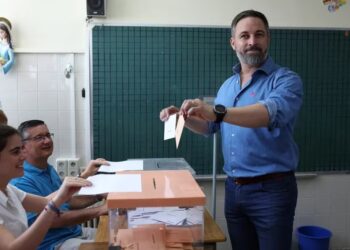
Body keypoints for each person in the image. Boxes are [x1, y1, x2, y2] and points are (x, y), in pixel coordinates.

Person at [160, 10, 303, 250]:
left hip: (272, 191)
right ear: (233, 42)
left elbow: (269, 113)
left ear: (268, 38)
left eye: (259, 35)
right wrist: (182, 118)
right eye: (244, 35)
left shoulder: (285, 80)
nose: (252, 42)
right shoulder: (228, 86)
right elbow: (210, 126)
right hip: (234, 190)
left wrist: (216, 111)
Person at [11, 120, 109, 250]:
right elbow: (51, 220)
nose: (47, 141)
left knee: (120, 237)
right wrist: (100, 210)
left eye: (48, 135)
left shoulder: (48, 169)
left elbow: (65, 203)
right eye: (39, 138)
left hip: (75, 233)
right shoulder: (20, 181)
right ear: (23, 146)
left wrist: (98, 196)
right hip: (55, 244)